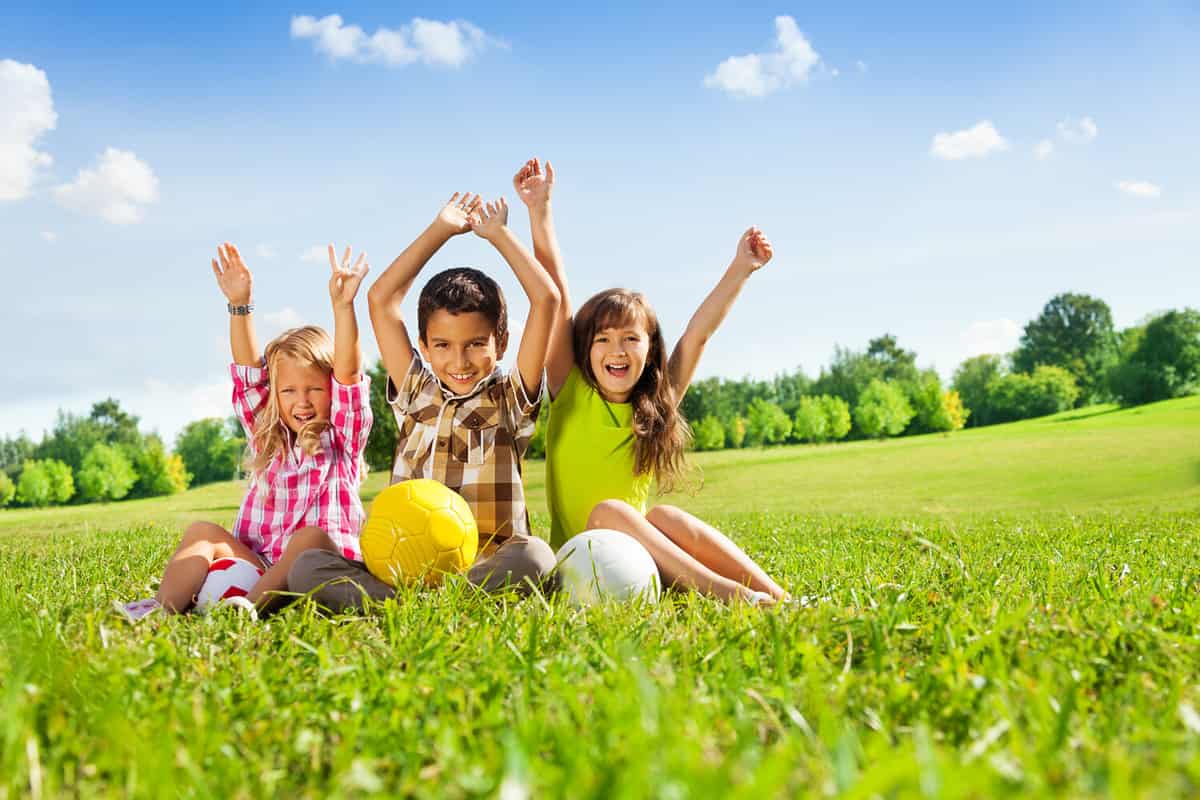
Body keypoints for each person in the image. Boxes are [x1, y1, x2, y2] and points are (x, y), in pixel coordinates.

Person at [512, 158, 787, 605]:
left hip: (644, 563)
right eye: (602, 338)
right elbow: (556, 291)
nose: (616, 350)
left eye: (630, 338)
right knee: (608, 511)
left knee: (667, 514)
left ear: (650, 348)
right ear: (584, 348)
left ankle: (777, 596)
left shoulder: (656, 401)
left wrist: (741, 268)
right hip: (582, 562)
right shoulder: (570, 389)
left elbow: (698, 333)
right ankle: (728, 594)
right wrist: (539, 209)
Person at [288, 193, 561, 611]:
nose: (459, 360)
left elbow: (547, 301)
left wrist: (499, 235)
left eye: (475, 344)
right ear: (423, 346)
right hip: (401, 569)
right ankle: (417, 603)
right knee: (306, 566)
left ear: (501, 343)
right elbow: (380, 300)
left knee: (536, 557)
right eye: (442, 345)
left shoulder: (509, 400)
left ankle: (425, 604)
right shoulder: (417, 393)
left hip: (481, 568)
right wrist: (441, 229)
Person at [118, 243, 373, 621]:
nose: (301, 401)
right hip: (259, 563)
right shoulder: (266, 435)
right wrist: (241, 304)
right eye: (288, 391)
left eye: (314, 389)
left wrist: (343, 307)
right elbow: (249, 374)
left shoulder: (341, 436)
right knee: (202, 530)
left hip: (316, 568)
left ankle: (244, 614)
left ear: (331, 391)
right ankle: (162, 610)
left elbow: (349, 375)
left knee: (309, 539)